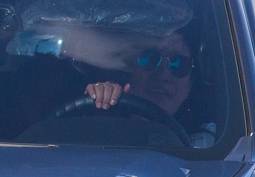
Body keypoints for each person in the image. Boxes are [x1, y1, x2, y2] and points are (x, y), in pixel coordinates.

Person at [83, 31, 216, 146]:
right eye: (149, 59)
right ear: (130, 70)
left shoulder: (212, 146)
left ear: (190, 86)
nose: (163, 75)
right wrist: (97, 103)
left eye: (178, 64)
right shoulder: (101, 123)